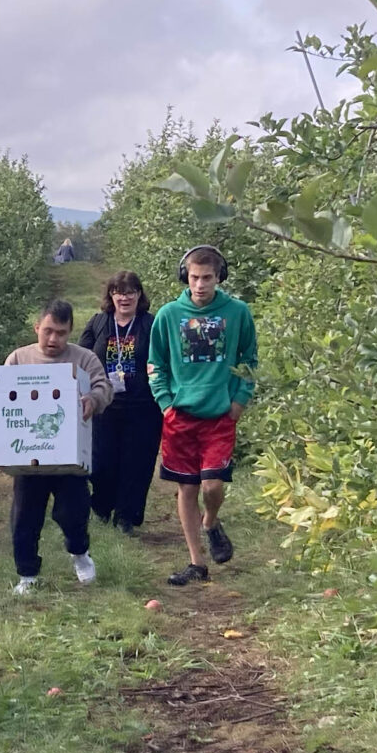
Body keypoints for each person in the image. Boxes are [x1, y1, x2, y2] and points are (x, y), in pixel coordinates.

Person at [147, 243, 256, 585]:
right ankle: (197, 563)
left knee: (212, 485)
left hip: (219, 414)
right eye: (194, 277)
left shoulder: (237, 312)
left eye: (207, 278)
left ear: (218, 277)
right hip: (180, 415)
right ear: (185, 276)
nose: (200, 285)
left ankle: (211, 521)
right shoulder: (167, 315)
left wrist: (239, 400)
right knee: (187, 488)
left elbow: (249, 361)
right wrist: (165, 402)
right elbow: (156, 364)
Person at [2, 299, 110, 595]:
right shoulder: (18, 359)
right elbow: (5, 398)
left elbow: (104, 387)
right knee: (24, 516)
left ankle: (79, 553)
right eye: (47, 331)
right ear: (37, 327)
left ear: (70, 331)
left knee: (73, 512)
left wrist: (93, 399)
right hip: (30, 456)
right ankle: (27, 575)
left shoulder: (84, 359)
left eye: (61, 333)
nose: (53, 339)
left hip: (70, 456)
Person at [79, 271, 160, 534]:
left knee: (136, 463)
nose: (124, 298)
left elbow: (163, 358)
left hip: (143, 406)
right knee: (102, 462)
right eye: (118, 292)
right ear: (110, 296)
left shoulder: (151, 323)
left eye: (130, 292)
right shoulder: (99, 322)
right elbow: (81, 360)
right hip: (105, 406)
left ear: (139, 295)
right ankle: (101, 508)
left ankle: (126, 516)